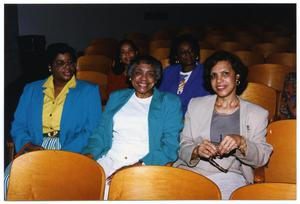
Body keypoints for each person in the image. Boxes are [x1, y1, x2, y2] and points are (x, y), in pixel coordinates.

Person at [4, 43, 102, 198]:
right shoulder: (31, 89)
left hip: (71, 147)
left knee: (59, 187)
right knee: (11, 182)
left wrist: (64, 153)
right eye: (60, 63)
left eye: (70, 62)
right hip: (35, 145)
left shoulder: (89, 91)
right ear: (50, 67)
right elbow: (18, 125)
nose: (67, 67)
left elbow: (92, 129)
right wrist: (27, 144)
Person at [173, 51, 273, 200]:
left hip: (229, 175)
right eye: (214, 76)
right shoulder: (196, 105)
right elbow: (183, 145)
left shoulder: (257, 114)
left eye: (225, 74)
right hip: (191, 171)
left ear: (237, 76)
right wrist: (196, 150)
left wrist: (241, 142)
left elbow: (261, 158)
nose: (219, 81)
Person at [83, 55, 183, 199]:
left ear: (156, 79)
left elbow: (170, 147)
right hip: (109, 158)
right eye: (138, 72)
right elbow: (100, 134)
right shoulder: (117, 97)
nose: (144, 78)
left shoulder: (169, 102)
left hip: (145, 163)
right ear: (130, 76)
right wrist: (88, 157)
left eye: (150, 74)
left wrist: (135, 167)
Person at [159, 34, 210, 114]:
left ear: (196, 52)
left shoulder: (205, 72)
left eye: (191, 51)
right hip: (169, 117)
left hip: (194, 118)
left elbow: (206, 102)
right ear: (176, 56)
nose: (188, 54)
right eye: (183, 52)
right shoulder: (169, 72)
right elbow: (161, 97)